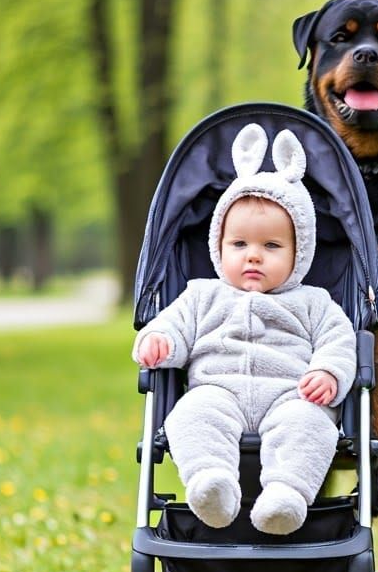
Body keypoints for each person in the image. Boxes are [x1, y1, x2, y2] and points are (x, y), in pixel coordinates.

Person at [132, 123, 356, 535]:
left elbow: (340, 342)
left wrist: (328, 372)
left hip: (291, 396)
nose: (253, 256)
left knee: (311, 427)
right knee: (192, 415)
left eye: (271, 246)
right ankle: (210, 484)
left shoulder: (314, 302)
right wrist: (158, 341)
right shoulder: (201, 295)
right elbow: (173, 327)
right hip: (217, 391)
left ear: (299, 252)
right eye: (240, 245)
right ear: (219, 247)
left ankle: (286, 497)